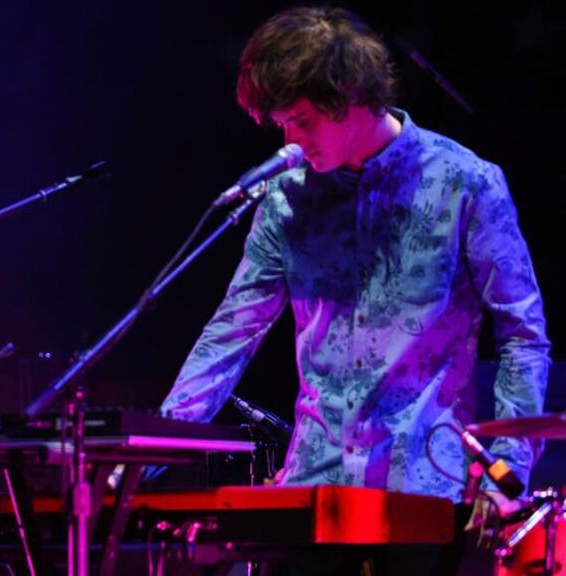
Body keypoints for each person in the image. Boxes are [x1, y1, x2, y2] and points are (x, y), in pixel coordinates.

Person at [158, 7, 550, 575]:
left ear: (349, 97)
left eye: (301, 121)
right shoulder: (286, 197)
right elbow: (230, 333)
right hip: (313, 490)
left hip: (424, 492)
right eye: (281, 125)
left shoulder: (466, 183)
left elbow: (522, 334)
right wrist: (146, 451)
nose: (289, 141)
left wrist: (509, 471)